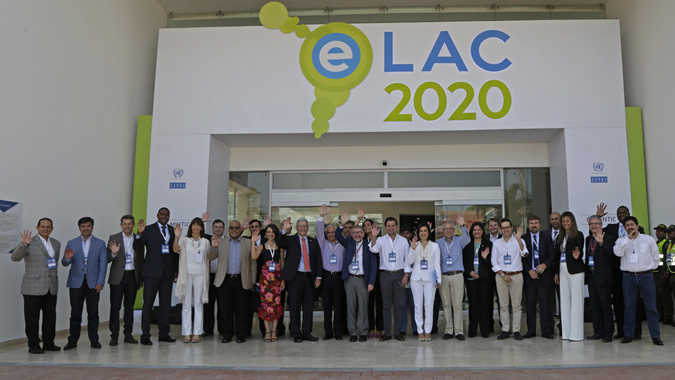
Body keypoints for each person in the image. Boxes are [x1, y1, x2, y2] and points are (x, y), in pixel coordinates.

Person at [12, 218, 61, 354]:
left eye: (48, 227)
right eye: (43, 226)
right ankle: (33, 344)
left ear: (52, 228)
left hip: (51, 286)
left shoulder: (56, 243)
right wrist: (24, 245)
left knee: (50, 317)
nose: (45, 229)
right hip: (33, 286)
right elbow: (15, 257)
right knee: (32, 318)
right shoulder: (29, 241)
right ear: (37, 227)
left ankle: (48, 342)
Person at [596, 203, 644, 339]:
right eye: (619, 213)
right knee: (618, 302)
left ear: (629, 214)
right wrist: (598, 217)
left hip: (633, 270)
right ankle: (622, 331)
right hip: (615, 271)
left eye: (624, 212)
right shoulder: (610, 228)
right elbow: (596, 232)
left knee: (634, 302)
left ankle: (637, 332)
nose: (621, 215)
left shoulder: (639, 230)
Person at [613, 216, 663, 345]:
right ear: (625, 228)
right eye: (627, 225)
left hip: (646, 276)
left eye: (632, 224)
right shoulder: (621, 240)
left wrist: (649, 268)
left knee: (651, 307)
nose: (630, 227)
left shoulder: (648, 239)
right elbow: (617, 253)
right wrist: (628, 240)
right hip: (628, 277)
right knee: (629, 307)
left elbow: (656, 257)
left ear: (637, 225)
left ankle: (655, 336)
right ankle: (628, 334)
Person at [62, 217, 108, 350]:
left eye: (88, 226)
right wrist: (67, 258)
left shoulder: (100, 243)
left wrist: (100, 282)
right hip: (76, 283)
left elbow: (103, 265)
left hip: (93, 284)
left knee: (93, 313)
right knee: (75, 314)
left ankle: (94, 340)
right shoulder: (72, 242)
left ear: (92, 227)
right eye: (83, 226)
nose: (86, 228)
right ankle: (72, 341)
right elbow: (64, 263)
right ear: (79, 228)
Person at [134, 207, 178, 345]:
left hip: (167, 274)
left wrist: (175, 271)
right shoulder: (148, 229)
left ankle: (164, 334)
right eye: (162, 214)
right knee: (148, 305)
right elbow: (137, 247)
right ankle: (145, 335)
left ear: (169, 216)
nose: (164, 217)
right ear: (157, 215)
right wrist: (139, 234)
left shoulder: (172, 231)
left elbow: (175, 253)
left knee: (165, 305)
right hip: (151, 273)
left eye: (167, 215)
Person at [209, 220, 256, 343]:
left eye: (236, 228)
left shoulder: (248, 242)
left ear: (241, 229)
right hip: (224, 280)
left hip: (242, 280)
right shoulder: (220, 242)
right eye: (232, 228)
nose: (234, 230)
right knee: (225, 309)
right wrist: (213, 248)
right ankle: (227, 334)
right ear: (228, 230)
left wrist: (253, 280)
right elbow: (210, 257)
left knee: (242, 309)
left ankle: (240, 335)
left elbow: (253, 262)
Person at [174, 218, 220, 343]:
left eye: (198, 225)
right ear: (190, 227)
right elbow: (175, 249)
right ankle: (187, 333)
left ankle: (197, 333)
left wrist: (214, 248)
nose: (196, 227)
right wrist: (177, 237)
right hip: (186, 275)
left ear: (201, 228)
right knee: (186, 304)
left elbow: (209, 257)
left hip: (200, 275)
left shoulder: (205, 241)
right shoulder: (184, 240)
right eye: (193, 225)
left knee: (199, 304)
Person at [278, 217, 323, 343]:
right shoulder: (290, 240)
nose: (303, 228)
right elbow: (279, 242)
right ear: (297, 228)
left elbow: (318, 261)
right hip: (295, 278)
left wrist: (318, 277)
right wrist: (283, 231)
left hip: (309, 278)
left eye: (305, 226)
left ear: (308, 228)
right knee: (294, 306)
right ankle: (296, 333)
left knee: (308, 306)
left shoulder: (313, 242)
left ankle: (307, 332)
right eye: (301, 226)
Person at [336, 210, 377, 342]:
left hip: (363, 280)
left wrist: (371, 282)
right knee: (351, 306)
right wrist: (342, 224)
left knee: (363, 307)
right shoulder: (348, 242)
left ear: (364, 234)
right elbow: (338, 234)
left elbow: (373, 266)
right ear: (351, 234)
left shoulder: (369, 246)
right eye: (355, 232)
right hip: (349, 279)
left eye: (360, 232)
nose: (357, 234)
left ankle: (363, 332)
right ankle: (353, 332)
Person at [368, 217, 410, 342]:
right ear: (385, 227)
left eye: (393, 225)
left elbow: (408, 259)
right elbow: (373, 249)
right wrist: (374, 236)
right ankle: (387, 332)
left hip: (399, 274)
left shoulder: (403, 241)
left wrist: (406, 275)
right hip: (385, 275)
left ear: (396, 226)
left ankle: (397, 332)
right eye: (388, 226)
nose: (391, 228)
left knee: (399, 305)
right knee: (385, 305)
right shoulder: (380, 240)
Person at [106, 215, 143, 346]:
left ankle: (128, 334)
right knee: (115, 307)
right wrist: (114, 253)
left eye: (129, 224)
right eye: (124, 224)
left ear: (133, 225)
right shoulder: (113, 238)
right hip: (117, 278)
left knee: (129, 307)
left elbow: (141, 259)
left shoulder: (138, 238)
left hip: (132, 276)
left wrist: (141, 279)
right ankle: (114, 336)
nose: (127, 226)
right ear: (121, 225)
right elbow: (107, 258)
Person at [491, 218, 528, 341]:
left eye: (508, 227)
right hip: (501, 276)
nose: (506, 229)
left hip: (517, 275)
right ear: (500, 230)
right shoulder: (496, 243)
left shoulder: (520, 240)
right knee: (503, 305)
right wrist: (503, 275)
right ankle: (505, 329)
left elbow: (525, 253)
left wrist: (518, 240)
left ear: (511, 228)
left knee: (517, 305)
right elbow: (493, 261)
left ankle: (516, 330)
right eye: (503, 227)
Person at [405, 223, 442, 341]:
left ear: (429, 232)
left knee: (429, 305)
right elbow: (409, 262)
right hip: (416, 279)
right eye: (421, 231)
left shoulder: (435, 246)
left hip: (430, 279)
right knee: (418, 305)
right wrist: (412, 249)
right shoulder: (414, 245)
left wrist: (438, 279)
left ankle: (428, 331)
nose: (423, 233)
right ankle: (420, 331)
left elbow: (437, 264)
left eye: (425, 230)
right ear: (417, 233)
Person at [521, 215, 555, 339]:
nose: (533, 225)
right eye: (531, 223)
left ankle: (546, 330)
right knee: (530, 305)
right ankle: (531, 330)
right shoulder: (523, 239)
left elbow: (552, 254)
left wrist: (545, 265)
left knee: (545, 304)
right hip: (530, 276)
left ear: (540, 225)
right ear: (528, 225)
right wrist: (529, 270)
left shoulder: (547, 237)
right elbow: (520, 258)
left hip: (544, 275)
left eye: (536, 223)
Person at [553, 211, 585, 342]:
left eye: (568, 221)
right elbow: (556, 256)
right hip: (562, 269)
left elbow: (580, 250)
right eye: (563, 221)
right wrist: (556, 272)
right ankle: (566, 333)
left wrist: (578, 255)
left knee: (576, 302)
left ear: (572, 222)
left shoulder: (578, 234)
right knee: (564, 302)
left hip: (575, 270)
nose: (565, 223)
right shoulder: (560, 237)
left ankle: (576, 334)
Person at [437, 217, 470, 341]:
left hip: (457, 276)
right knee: (446, 304)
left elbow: (468, 240)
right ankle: (449, 330)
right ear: (443, 231)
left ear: (454, 230)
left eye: (451, 229)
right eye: (446, 229)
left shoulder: (460, 240)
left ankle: (459, 331)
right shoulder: (438, 243)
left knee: (457, 305)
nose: (449, 231)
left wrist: (462, 226)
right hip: (444, 276)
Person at [251, 223, 285, 343]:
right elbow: (254, 256)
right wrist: (253, 242)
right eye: (268, 231)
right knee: (265, 306)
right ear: (266, 233)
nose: (271, 234)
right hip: (264, 281)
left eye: (273, 231)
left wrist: (283, 280)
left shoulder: (279, 247)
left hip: (276, 280)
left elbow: (282, 264)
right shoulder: (261, 246)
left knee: (275, 306)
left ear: (276, 233)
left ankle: (274, 331)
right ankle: (267, 331)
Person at [585, 215, 616, 342]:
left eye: (596, 223)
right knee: (595, 306)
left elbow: (612, 253)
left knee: (605, 306)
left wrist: (601, 243)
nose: (594, 226)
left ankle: (608, 333)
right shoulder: (588, 239)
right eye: (591, 224)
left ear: (601, 225)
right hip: (592, 277)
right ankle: (598, 332)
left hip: (604, 278)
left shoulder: (608, 238)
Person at [317, 205, 346, 340]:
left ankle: (338, 332)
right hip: (326, 277)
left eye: (333, 232)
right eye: (328, 232)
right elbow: (319, 232)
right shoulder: (323, 244)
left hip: (339, 278)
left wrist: (342, 224)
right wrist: (321, 218)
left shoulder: (343, 245)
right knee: (327, 306)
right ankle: (328, 332)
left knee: (339, 306)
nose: (331, 234)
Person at [462, 222, 494, 338]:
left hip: (485, 279)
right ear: (472, 232)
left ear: (482, 231)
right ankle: (472, 330)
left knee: (484, 304)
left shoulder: (489, 245)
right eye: (474, 230)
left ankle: (485, 330)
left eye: (479, 230)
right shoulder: (468, 247)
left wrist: (485, 258)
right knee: (473, 304)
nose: (477, 232)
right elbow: (464, 262)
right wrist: (469, 271)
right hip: (471, 279)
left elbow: (493, 262)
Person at [203, 219, 225, 337]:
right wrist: (201, 221)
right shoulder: (206, 240)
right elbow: (194, 232)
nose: (218, 229)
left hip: (222, 276)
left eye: (220, 227)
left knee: (222, 304)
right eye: (216, 227)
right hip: (209, 276)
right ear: (212, 229)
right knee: (208, 304)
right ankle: (208, 329)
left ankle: (222, 329)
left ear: (223, 229)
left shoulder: (227, 241)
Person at [365, 217, 385, 338]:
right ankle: (371, 327)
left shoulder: (380, 239)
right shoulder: (361, 240)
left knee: (380, 302)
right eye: (365, 225)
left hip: (380, 273)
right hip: (367, 275)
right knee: (369, 302)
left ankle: (380, 328)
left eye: (369, 225)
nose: (366, 227)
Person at [398, 224, 417, 336]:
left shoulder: (416, 245)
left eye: (407, 233)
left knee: (415, 305)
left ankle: (415, 328)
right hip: (402, 279)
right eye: (403, 233)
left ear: (411, 234)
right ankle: (402, 328)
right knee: (402, 305)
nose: (405, 235)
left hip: (414, 280)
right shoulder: (398, 245)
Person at [653, 224, 669, 324]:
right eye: (657, 230)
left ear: (665, 233)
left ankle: (668, 317)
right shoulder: (655, 243)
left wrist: (664, 273)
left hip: (661, 272)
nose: (658, 232)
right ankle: (660, 315)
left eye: (660, 231)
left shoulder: (666, 244)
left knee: (664, 296)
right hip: (654, 272)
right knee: (657, 296)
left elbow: (667, 260)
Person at [662, 225, 675, 327]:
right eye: (667, 232)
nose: (668, 234)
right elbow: (669, 259)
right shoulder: (670, 244)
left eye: (671, 232)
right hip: (671, 274)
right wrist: (666, 271)